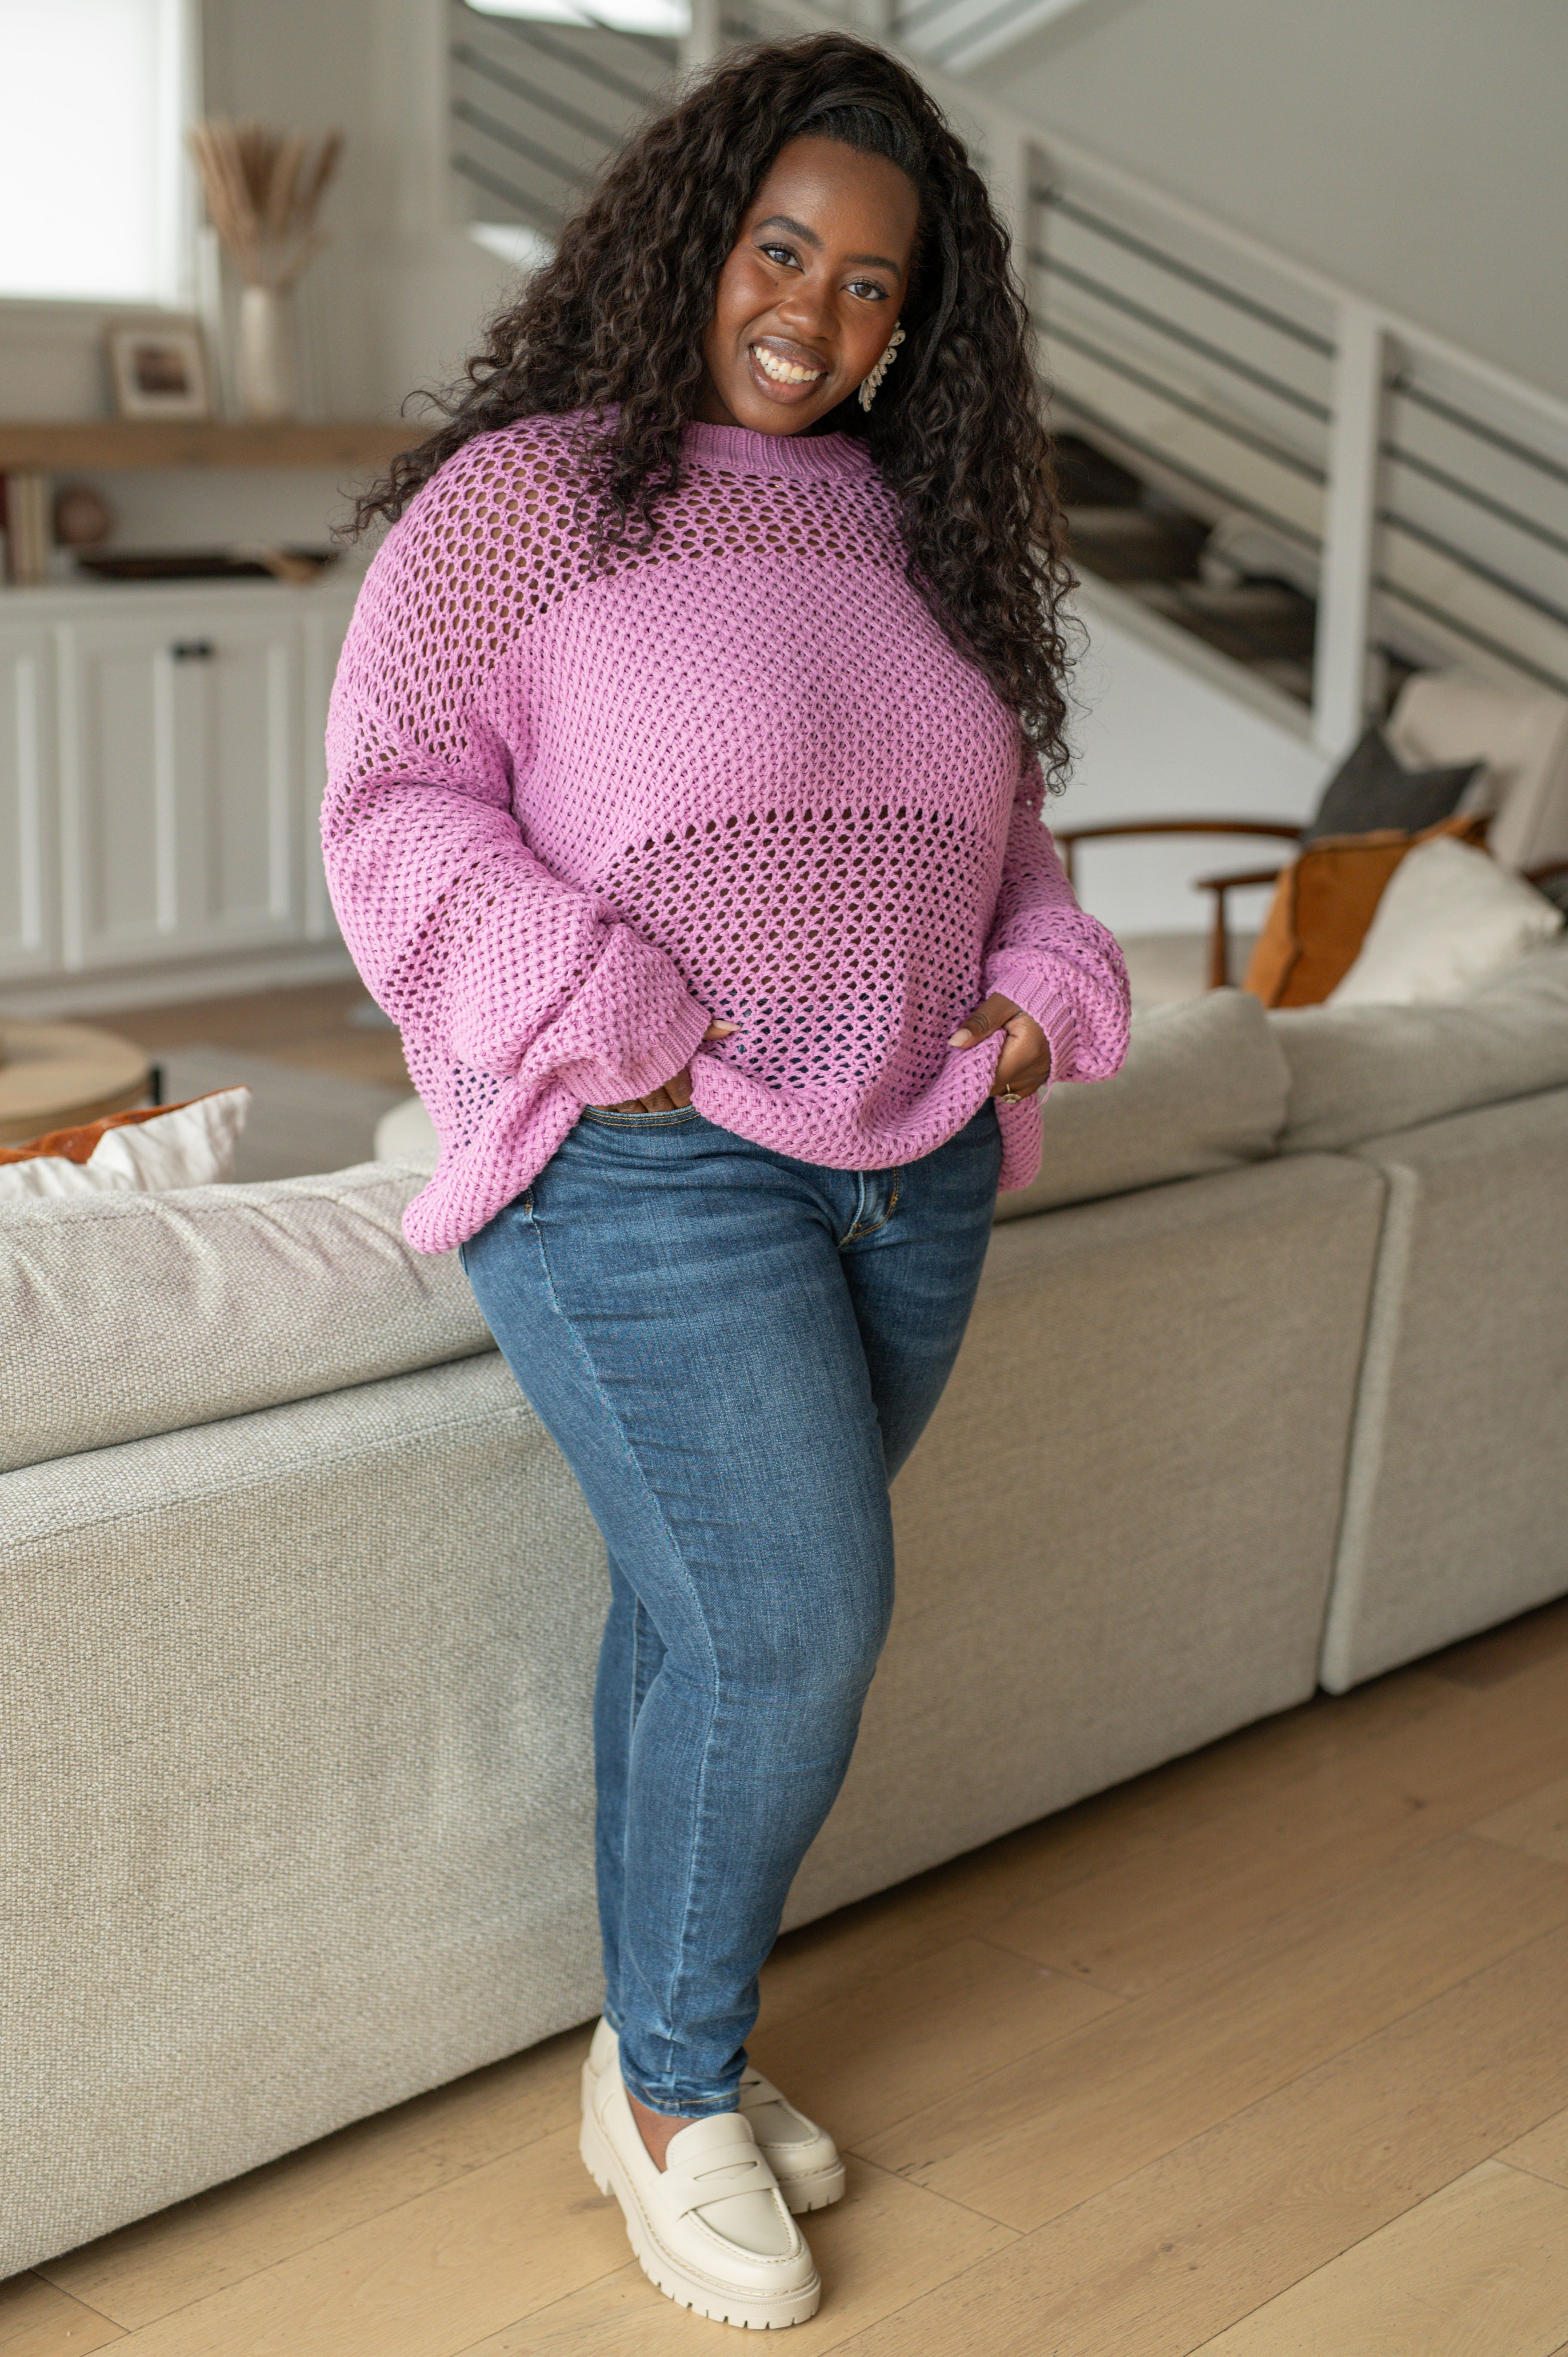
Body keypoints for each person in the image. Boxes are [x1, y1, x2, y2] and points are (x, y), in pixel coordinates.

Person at [325, 29, 1128, 2331]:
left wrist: (1037, 990)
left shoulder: (921, 531)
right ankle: (681, 2095)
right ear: (699, 241)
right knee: (794, 1624)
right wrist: (608, 999)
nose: (818, 310)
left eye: (877, 286)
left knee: (707, 1623)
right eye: (784, 250)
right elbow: (396, 811)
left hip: (917, 1160)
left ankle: (641, 2058)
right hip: (647, 1157)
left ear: (918, 326)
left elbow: (1021, 852)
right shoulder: (527, 502)